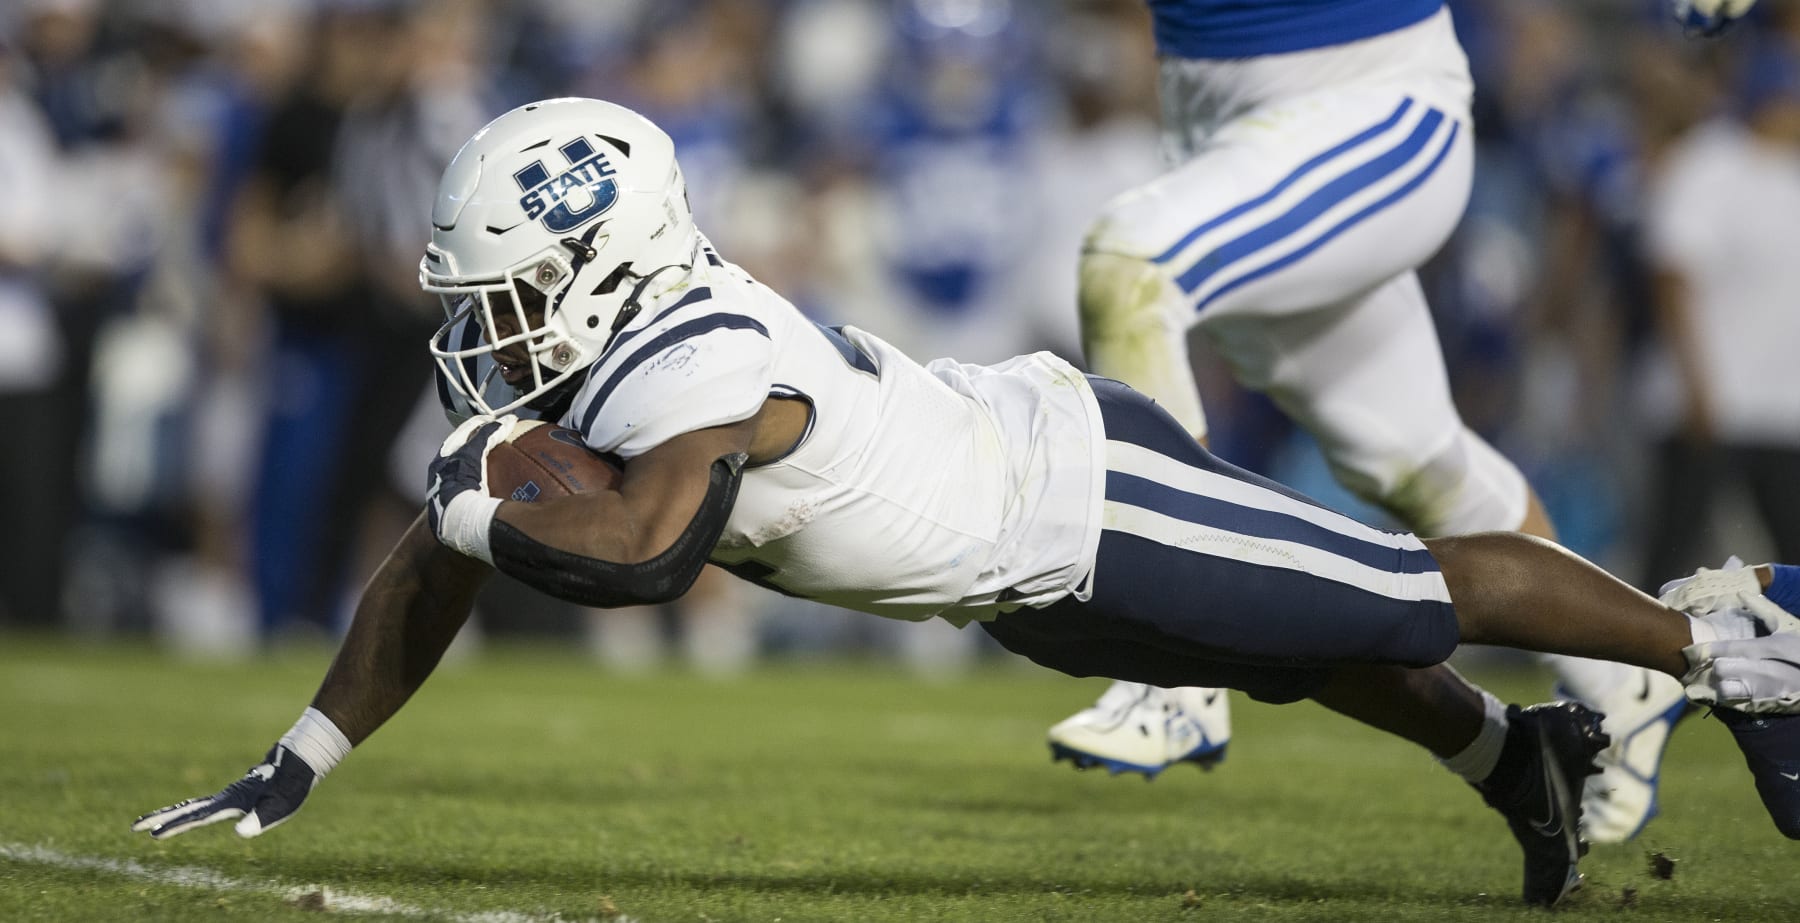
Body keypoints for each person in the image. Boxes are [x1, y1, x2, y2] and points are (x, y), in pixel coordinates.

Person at [130, 99, 1800, 909]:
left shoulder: (694, 358)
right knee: (1297, 647)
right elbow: (438, 560)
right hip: (1020, 566)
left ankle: (1728, 639)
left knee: (1403, 588)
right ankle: (1522, 763)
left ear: (598, 261)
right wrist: (308, 750)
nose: (487, 336)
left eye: (505, 297)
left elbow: (641, 556)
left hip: (1082, 492)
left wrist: (482, 510)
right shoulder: (612, 358)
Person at [1040, 0, 1758, 845]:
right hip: (1222, 124)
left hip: (1368, 96)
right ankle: (1621, 685)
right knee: (1412, 456)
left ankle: (1175, 670)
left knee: (1132, 261)